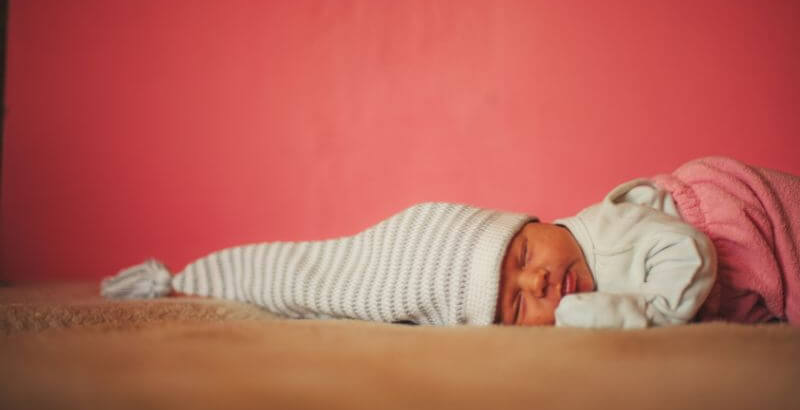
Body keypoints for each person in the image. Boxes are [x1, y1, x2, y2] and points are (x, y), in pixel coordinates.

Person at [101, 156, 800, 328]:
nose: (539, 287)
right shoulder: (567, 286)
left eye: (524, 258)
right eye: (514, 307)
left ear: (541, 223)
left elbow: (694, 257)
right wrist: (193, 277)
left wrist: (632, 313)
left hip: (757, 221)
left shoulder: (610, 232)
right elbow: (312, 277)